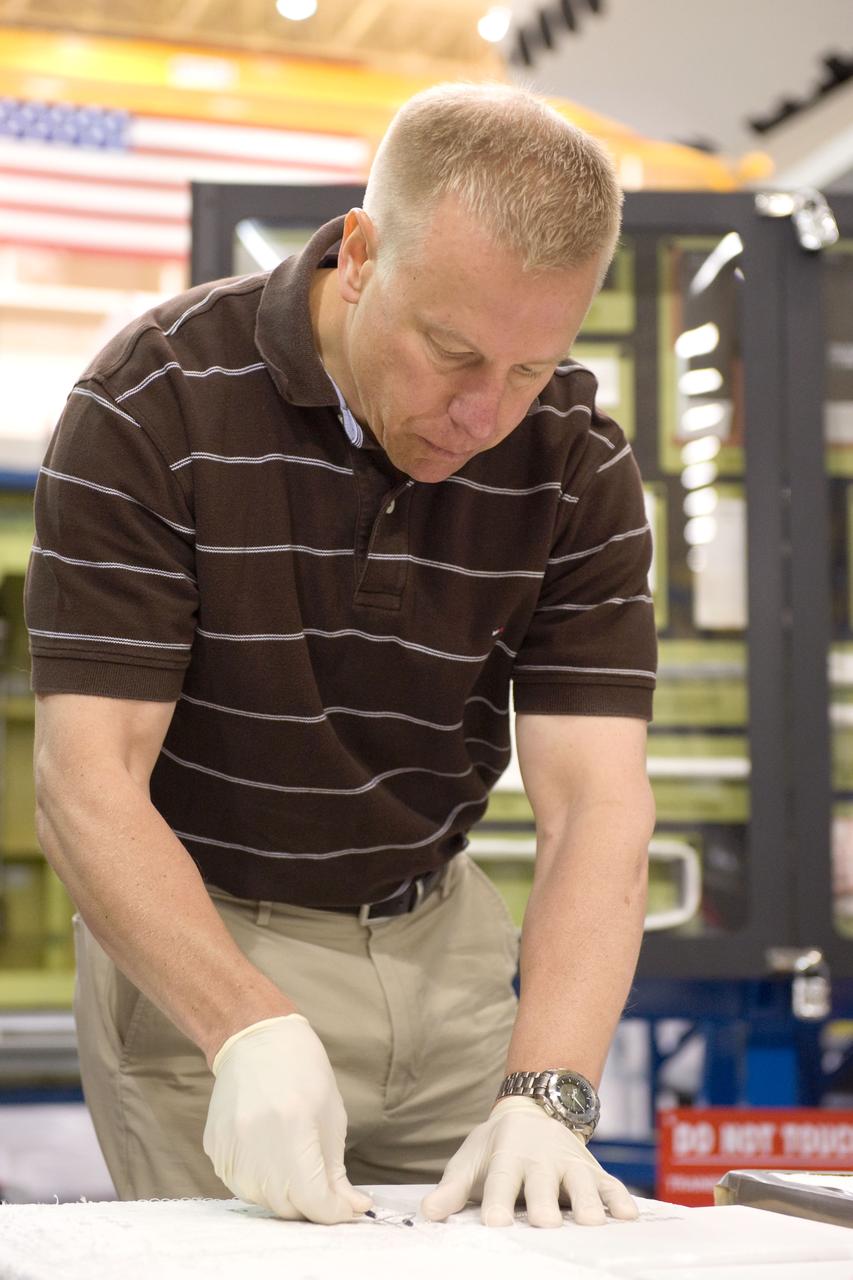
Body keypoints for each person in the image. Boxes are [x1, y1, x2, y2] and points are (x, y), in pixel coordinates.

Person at [25, 81, 656, 1230]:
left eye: (528, 367)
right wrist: (245, 1026)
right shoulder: (151, 404)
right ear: (358, 254)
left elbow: (596, 806)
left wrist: (546, 1087)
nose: (483, 415)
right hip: (205, 946)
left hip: (447, 948)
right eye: (452, 349)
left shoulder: (573, 457)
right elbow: (86, 782)